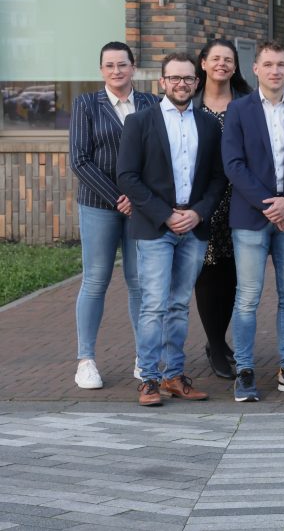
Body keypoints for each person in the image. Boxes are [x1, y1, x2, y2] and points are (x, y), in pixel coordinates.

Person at [116, 53, 226, 406]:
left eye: (188, 79)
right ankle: (148, 379)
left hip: (194, 227)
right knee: (153, 305)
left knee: (178, 305)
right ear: (162, 82)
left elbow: (217, 178)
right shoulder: (140, 122)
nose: (182, 84)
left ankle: (174, 377)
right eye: (174, 78)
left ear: (197, 83)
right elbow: (127, 177)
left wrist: (197, 213)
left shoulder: (209, 126)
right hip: (154, 227)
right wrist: (166, 215)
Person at [221, 40, 284, 402]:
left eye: (281, 64)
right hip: (251, 218)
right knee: (247, 297)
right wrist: (271, 205)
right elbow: (233, 164)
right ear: (256, 68)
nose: (276, 71)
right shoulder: (239, 110)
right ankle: (245, 372)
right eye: (269, 65)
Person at [69, 41, 159, 389]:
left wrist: (141, 198)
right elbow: (79, 158)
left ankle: (144, 358)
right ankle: (86, 359)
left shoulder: (151, 102)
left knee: (140, 283)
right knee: (95, 280)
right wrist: (119, 197)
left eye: (122, 65)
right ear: (101, 70)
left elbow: (159, 154)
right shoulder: (86, 104)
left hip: (142, 207)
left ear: (133, 67)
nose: (116, 71)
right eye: (109, 66)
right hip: (98, 205)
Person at [192, 38, 252, 380]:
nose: (222, 64)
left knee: (232, 272)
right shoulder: (191, 103)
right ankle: (215, 343)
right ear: (203, 63)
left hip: (239, 197)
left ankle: (220, 337)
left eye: (228, 59)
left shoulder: (245, 102)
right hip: (202, 199)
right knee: (206, 271)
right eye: (215, 58)